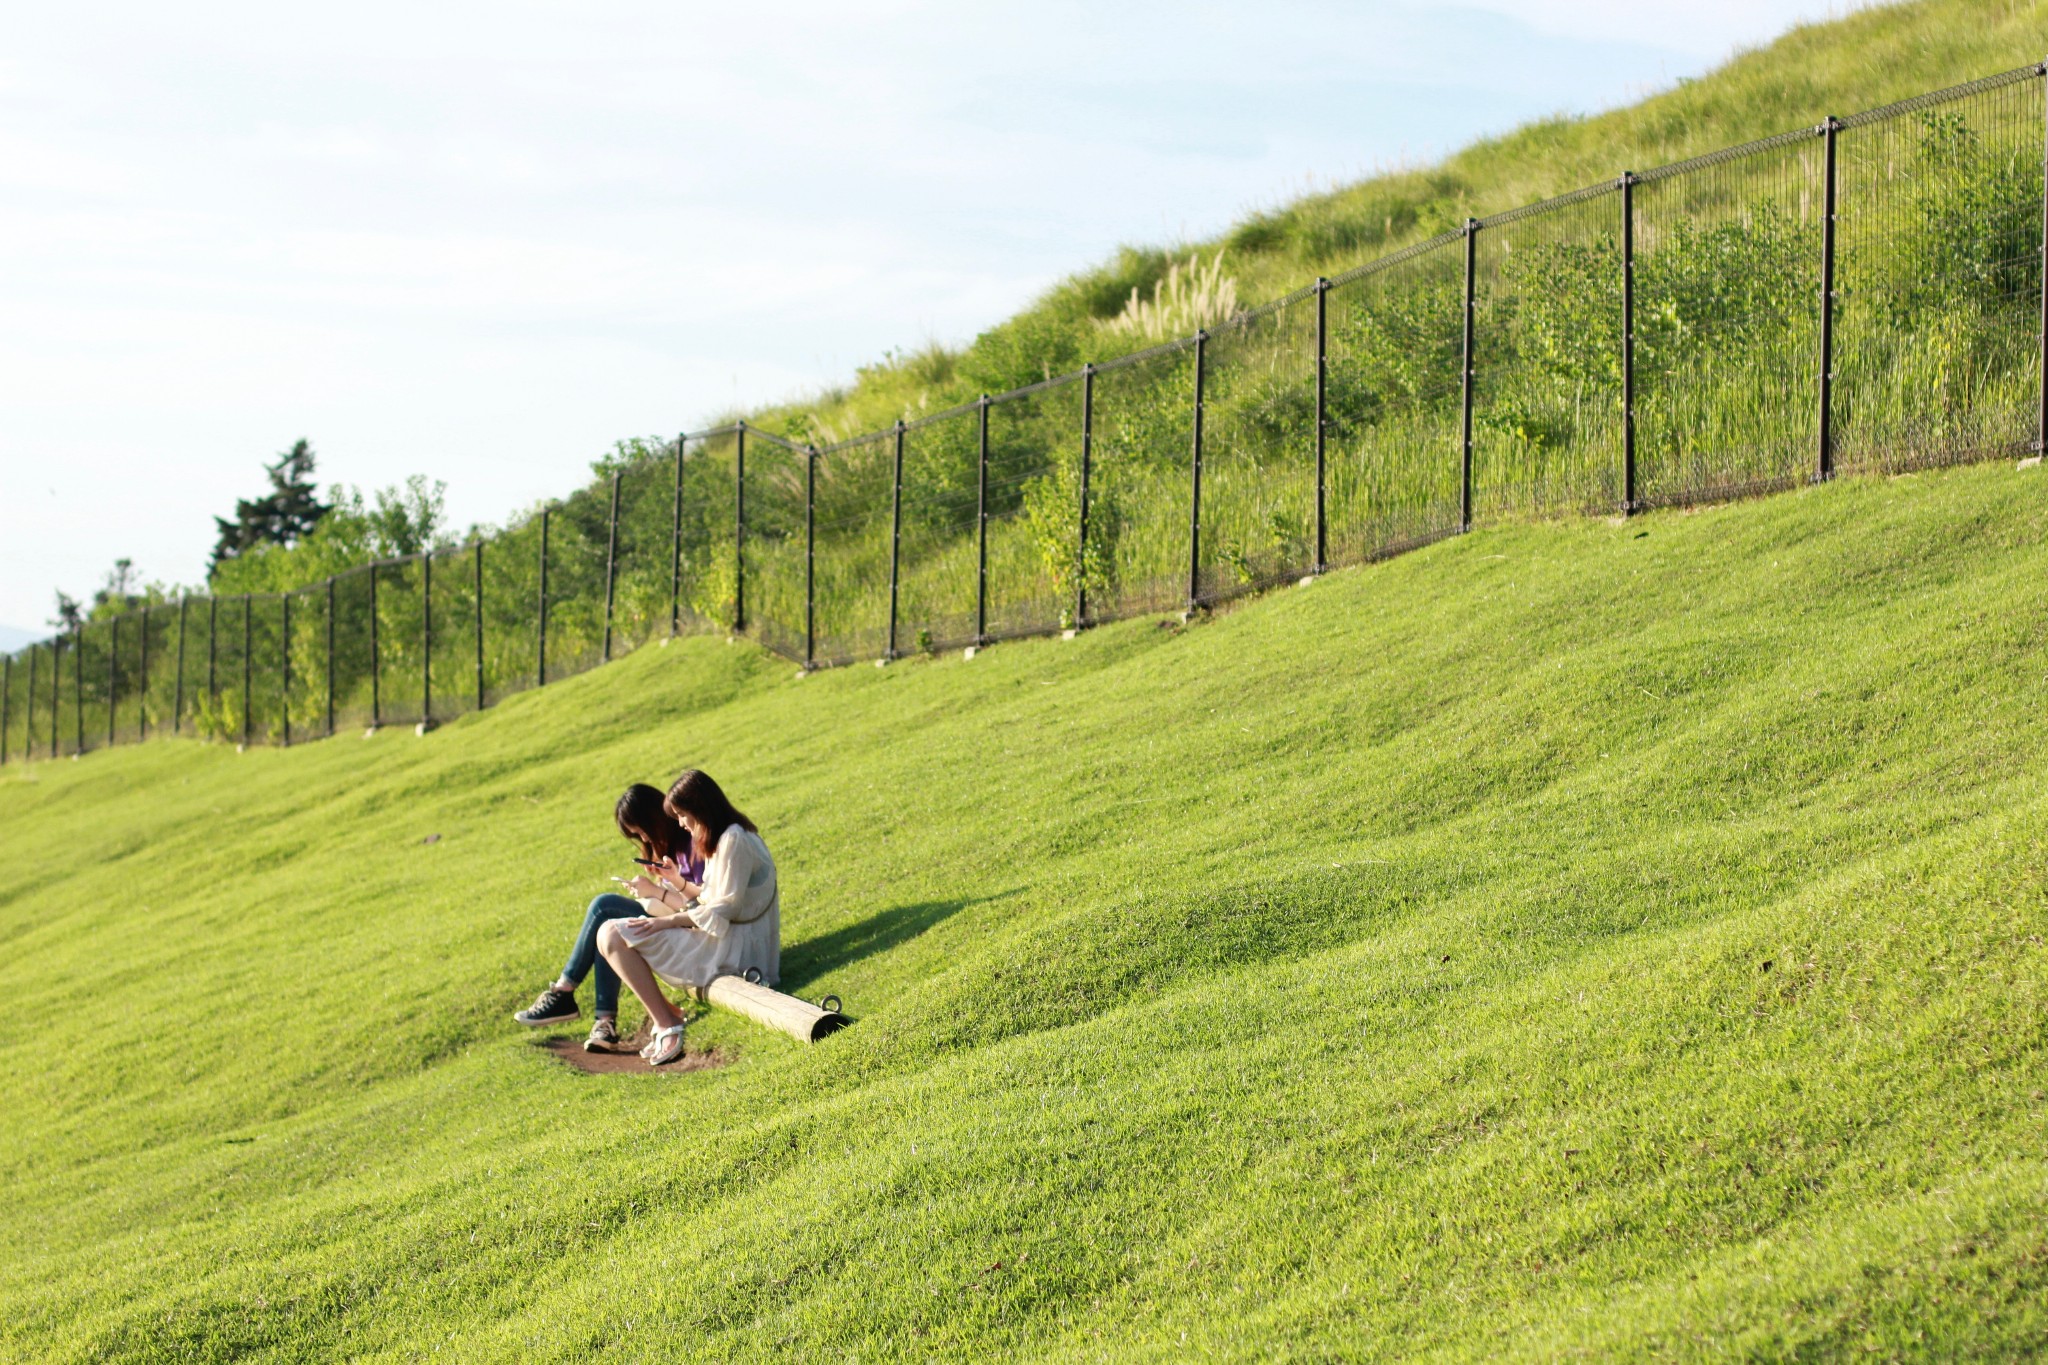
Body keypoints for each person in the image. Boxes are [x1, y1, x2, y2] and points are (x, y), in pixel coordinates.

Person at [597, 769, 780, 1067]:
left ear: (700, 808)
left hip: (735, 950)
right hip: (726, 939)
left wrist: (664, 922)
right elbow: (711, 898)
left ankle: (668, 1024)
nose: (680, 823)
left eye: (682, 814)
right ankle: (665, 1021)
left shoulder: (734, 840)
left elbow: (721, 912)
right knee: (608, 931)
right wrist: (676, 882)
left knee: (612, 932)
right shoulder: (725, 836)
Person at [512, 784, 706, 1052]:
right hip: (672, 921)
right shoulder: (670, 847)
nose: (645, 840)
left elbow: (697, 906)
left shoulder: (690, 844)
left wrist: (656, 891)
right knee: (607, 923)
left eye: (641, 832)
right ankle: (602, 1021)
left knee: (604, 907)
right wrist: (652, 887)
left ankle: (568, 996)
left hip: (687, 930)